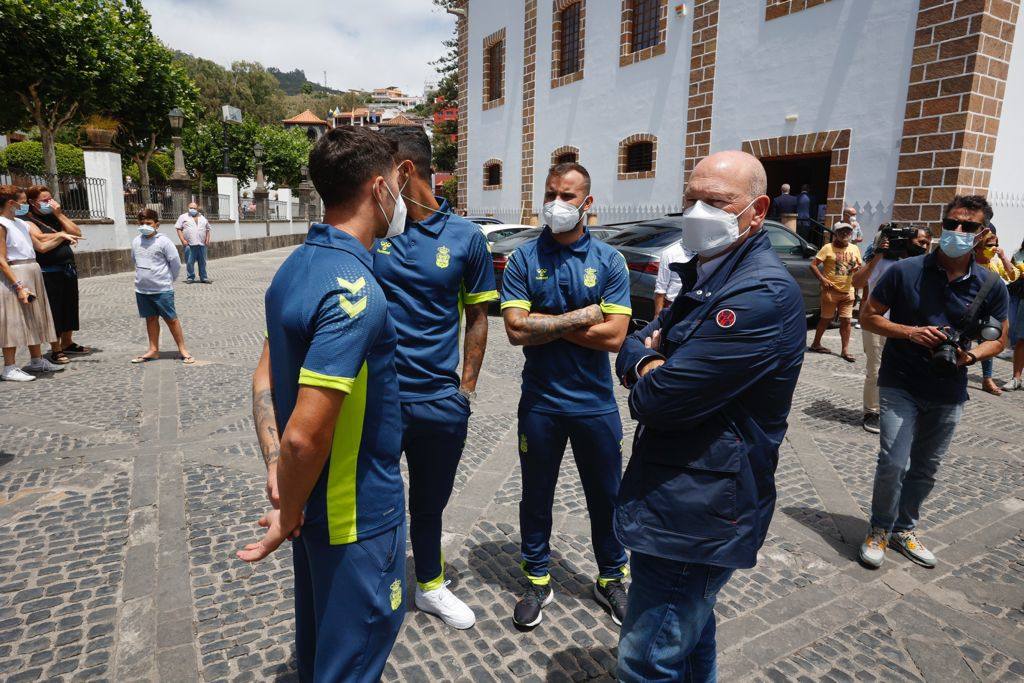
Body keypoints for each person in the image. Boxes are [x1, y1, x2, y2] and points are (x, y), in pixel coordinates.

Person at [614, 151, 805, 680]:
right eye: (691, 199)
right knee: (689, 635)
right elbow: (635, 341)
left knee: (645, 660)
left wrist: (650, 360)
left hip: (701, 507)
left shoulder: (756, 293)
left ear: (757, 209)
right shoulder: (711, 270)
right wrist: (648, 357)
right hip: (679, 490)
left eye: (716, 202)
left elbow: (658, 399)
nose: (698, 212)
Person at [242, 126, 407, 682]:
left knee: (320, 659)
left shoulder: (295, 268)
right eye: (397, 184)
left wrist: (281, 481)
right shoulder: (355, 290)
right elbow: (303, 436)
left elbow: (264, 374)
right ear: (379, 188)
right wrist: (287, 507)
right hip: (356, 515)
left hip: (316, 511)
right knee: (351, 664)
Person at [373, 126, 497, 629]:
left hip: (439, 403)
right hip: (378, 400)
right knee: (374, 502)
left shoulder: (465, 237)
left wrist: (464, 391)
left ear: (404, 172)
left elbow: (479, 317)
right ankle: (376, 589)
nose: (374, 186)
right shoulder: (374, 228)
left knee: (429, 503)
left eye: (381, 175)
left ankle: (429, 586)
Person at [500, 162, 632, 628]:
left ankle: (611, 577)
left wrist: (546, 323)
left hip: (595, 402)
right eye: (552, 193)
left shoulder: (609, 261)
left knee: (607, 495)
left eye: (568, 196)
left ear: (587, 203)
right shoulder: (522, 259)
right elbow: (515, 332)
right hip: (540, 403)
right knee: (536, 495)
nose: (557, 203)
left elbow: (615, 337)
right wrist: (581, 317)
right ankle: (537, 578)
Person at [858, 195, 1008, 570]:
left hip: (949, 387)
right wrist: (909, 332)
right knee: (893, 461)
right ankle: (879, 528)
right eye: (951, 223)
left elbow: (1000, 339)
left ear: (982, 233)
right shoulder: (905, 270)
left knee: (926, 467)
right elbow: (868, 317)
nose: (956, 232)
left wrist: (971, 356)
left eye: (968, 227)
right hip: (901, 381)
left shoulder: (991, 284)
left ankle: (904, 529)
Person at [851, 227, 931, 434]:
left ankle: (899, 410)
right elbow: (857, 282)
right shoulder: (884, 262)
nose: (925, 247)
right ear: (907, 241)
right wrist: (876, 256)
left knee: (906, 370)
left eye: (927, 243)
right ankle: (872, 411)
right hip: (879, 324)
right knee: (876, 370)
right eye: (921, 242)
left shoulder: (926, 266)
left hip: (909, 326)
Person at [0, 185, 66, 381]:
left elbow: (41, 246)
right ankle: (9, 367)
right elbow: (1, 259)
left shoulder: (21, 223)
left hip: (32, 269)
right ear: (10, 203)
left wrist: (62, 236)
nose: (24, 205)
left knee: (33, 317)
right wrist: (18, 286)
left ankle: (36, 360)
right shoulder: (2, 224)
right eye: (21, 201)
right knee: (12, 319)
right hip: (15, 272)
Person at [24, 185, 89, 363]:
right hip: (48, 271)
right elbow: (39, 237)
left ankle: (68, 342)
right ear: (32, 202)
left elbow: (76, 232)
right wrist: (61, 235)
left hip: (67, 269)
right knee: (55, 310)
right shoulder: (27, 218)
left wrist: (60, 215)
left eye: (50, 199)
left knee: (70, 306)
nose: (49, 203)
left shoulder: (55, 216)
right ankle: (56, 348)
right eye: (44, 200)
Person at [130, 209, 193, 364]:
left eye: (149, 223)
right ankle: (153, 350)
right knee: (150, 319)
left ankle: (183, 349)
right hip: (142, 289)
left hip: (162, 289)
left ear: (156, 225)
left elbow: (175, 263)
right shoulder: (136, 241)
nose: (145, 226)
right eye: (142, 223)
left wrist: (169, 279)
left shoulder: (163, 241)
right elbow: (135, 260)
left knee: (171, 319)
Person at [972, 230, 1018, 395]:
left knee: (988, 340)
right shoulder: (970, 264)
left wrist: (1003, 257)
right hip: (970, 308)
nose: (994, 248)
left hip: (990, 310)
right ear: (978, 248)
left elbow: (1012, 275)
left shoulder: (995, 263)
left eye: (996, 244)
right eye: (989, 245)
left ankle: (987, 378)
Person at [809, 222, 862, 361]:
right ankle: (816, 344)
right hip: (830, 291)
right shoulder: (827, 248)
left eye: (848, 231)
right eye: (842, 231)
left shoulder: (854, 248)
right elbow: (813, 265)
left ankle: (845, 350)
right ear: (836, 234)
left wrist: (857, 267)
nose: (845, 234)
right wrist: (822, 279)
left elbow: (859, 265)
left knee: (846, 321)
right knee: (826, 319)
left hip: (848, 291)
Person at [1003, 237, 1024, 391]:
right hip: (1021, 296)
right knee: (1022, 339)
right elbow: (1012, 274)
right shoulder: (1019, 254)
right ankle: (1016, 378)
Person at [653, 240, 693, 317]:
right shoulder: (670, 253)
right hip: (673, 307)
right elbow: (660, 288)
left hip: (695, 308)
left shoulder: (705, 252)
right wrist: (657, 315)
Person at [175, 202, 212, 284]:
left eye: (194, 208)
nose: (192, 209)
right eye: (191, 207)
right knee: (189, 262)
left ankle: (204, 277)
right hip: (189, 244)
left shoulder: (202, 217)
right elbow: (178, 228)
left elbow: (208, 229)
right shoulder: (183, 217)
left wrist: (207, 239)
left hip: (202, 244)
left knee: (203, 262)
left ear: (197, 208)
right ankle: (190, 277)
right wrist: (183, 240)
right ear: (188, 208)